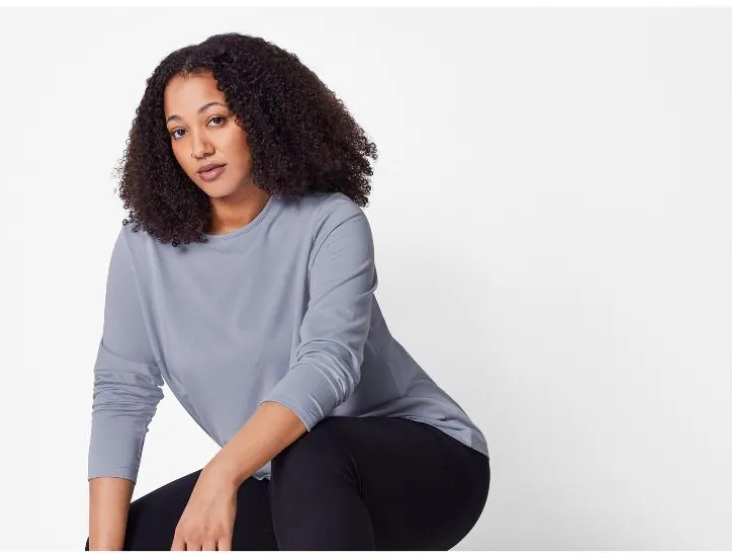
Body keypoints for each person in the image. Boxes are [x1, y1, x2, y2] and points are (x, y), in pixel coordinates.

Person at [85, 32, 490, 552]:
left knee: (311, 451)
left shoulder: (330, 222)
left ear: (262, 118)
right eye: (179, 131)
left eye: (216, 120)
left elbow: (328, 364)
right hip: (284, 475)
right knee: (137, 540)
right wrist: (104, 550)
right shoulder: (143, 249)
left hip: (429, 466)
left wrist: (221, 474)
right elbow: (122, 393)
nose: (199, 147)